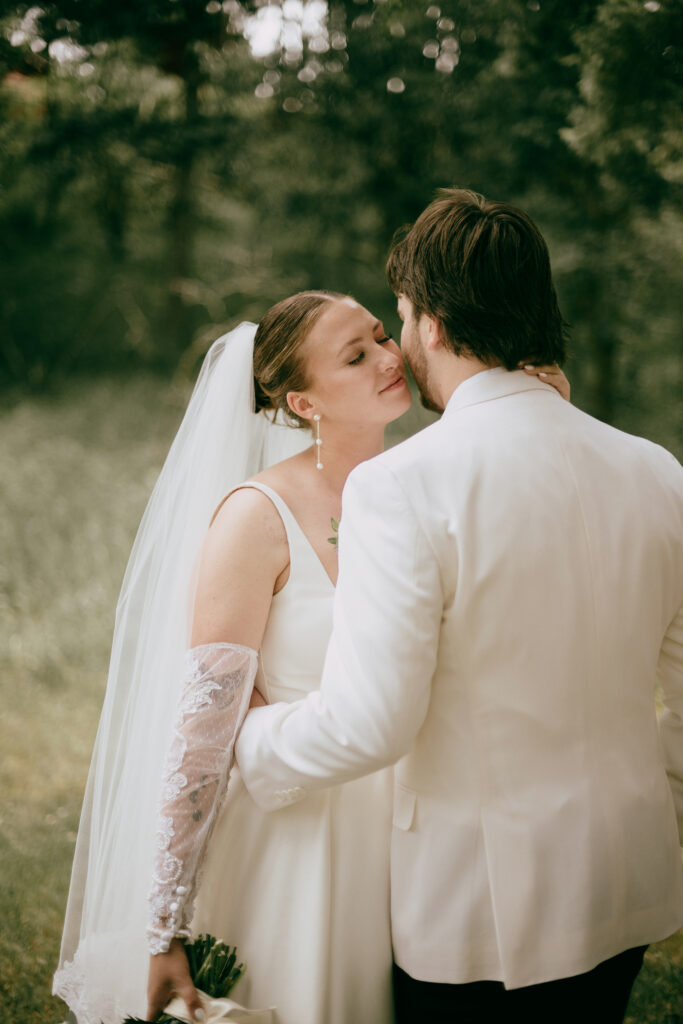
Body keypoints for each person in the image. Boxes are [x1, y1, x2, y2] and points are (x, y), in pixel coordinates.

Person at [53, 284, 569, 1024]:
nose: (389, 359)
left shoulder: (423, 484)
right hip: (300, 842)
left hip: (418, 836)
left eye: (380, 338)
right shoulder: (254, 518)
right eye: (355, 356)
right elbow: (201, 733)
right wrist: (160, 927)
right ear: (303, 405)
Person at [234, 189, 683, 1024]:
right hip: (631, 879)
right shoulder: (656, 469)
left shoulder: (400, 486)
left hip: (478, 908)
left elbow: (372, 723)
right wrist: (659, 811)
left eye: (400, 315)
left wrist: (251, 741)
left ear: (432, 323)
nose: (399, 340)